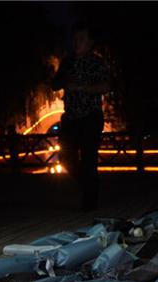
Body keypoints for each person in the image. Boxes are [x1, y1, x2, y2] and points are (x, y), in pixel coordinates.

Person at [52, 27, 109, 212]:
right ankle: (89, 186)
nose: (77, 42)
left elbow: (105, 86)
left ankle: (89, 203)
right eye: (75, 39)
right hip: (71, 117)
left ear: (90, 42)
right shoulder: (67, 61)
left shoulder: (97, 62)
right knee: (66, 157)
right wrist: (64, 81)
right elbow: (54, 84)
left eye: (81, 39)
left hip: (90, 116)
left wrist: (82, 87)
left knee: (89, 159)